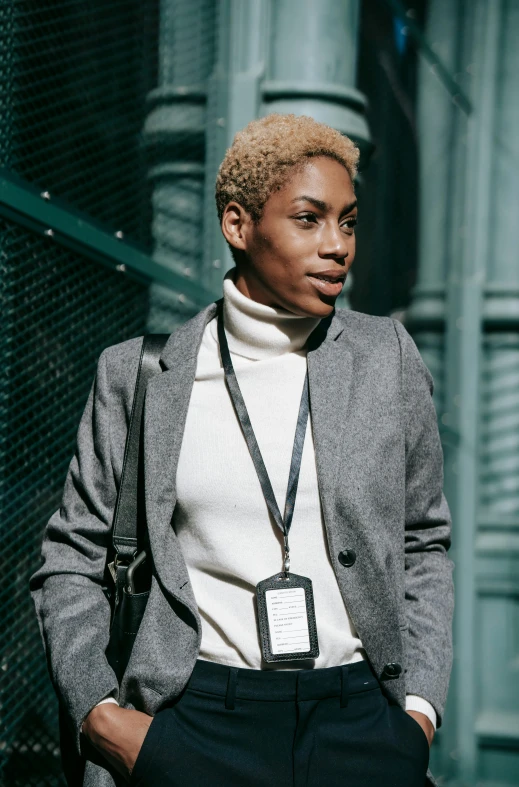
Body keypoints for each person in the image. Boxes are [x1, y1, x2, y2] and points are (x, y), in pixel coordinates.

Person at [30, 113, 454, 787]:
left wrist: (418, 712)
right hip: (194, 718)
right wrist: (101, 714)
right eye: (309, 218)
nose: (338, 245)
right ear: (238, 224)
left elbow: (424, 541)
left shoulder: (386, 358)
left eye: (348, 221)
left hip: (358, 719)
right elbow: (70, 557)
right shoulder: (139, 375)